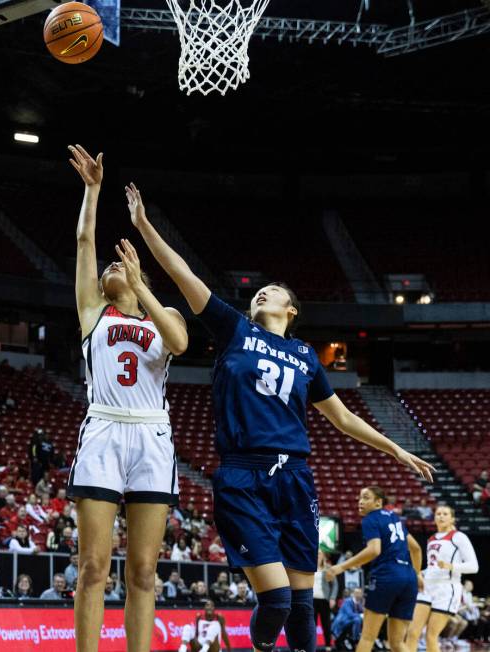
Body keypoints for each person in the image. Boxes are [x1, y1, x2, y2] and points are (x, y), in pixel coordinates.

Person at [127, 181, 435, 652]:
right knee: (274, 600)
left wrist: (395, 448)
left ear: (290, 310)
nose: (261, 293)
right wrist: (146, 226)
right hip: (242, 475)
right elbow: (183, 273)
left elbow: (342, 419)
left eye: (272, 292)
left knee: (302, 603)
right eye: (259, 292)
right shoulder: (233, 329)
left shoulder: (306, 354)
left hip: (295, 478)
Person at [65, 145, 188, 652]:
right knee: (93, 566)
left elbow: (179, 344)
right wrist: (93, 190)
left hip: (152, 436)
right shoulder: (94, 311)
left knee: (142, 572)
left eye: (122, 265)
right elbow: (84, 240)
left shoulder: (166, 318)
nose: (112, 265)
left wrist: (142, 284)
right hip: (104, 429)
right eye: (110, 266)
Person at [327, 487, 422, 652]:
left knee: (367, 637)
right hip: (408, 578)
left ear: (378, 502)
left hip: (387, 576)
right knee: (397, 643)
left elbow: (374, 550)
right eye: (359, 498)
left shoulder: (370, 519)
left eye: (365, 497)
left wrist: (340, 567)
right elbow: (416, 549)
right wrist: (417, 573)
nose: (360, 502)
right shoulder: (394, 517)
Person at [406, 505, 479, 652]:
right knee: (412, 633)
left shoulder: (459, 537)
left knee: (431, 636)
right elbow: (433, 568)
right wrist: (419, 573)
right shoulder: (431, 539)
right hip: (427, 587)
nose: (441, 516)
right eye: (438, 514)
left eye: (445, 514)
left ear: (452, 518)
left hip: (447, 588)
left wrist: (450, 566)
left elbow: (474, 566)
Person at [314, 550, 338, 651]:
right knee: (311, 625)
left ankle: (328, 646)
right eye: (317, 553)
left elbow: (335, 585)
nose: (318, 555)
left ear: (323, 555)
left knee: (326, 624)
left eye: (319, 553)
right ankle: (311, 646)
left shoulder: (328, 568)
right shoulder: (309, 566)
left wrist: (332, 598)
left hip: (324, 600)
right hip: (311, 599)